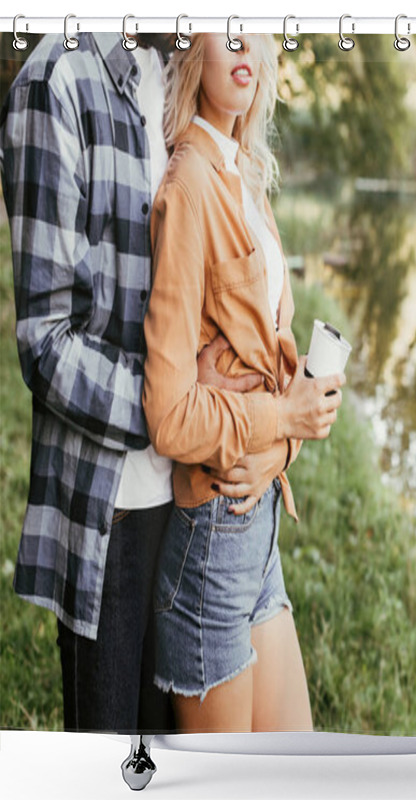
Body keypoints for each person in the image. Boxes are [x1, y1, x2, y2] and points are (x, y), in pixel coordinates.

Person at [0, 31, 266, 734]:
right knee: (114, 757)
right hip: (109, 510)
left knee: (184, 758)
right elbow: (46, 341)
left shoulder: (180, 73)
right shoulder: (53, 81)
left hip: (192, 504)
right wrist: (173, 409)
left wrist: (256, 431)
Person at [141, 32, 345, 733]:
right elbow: (169, 415)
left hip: (257, 538)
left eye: (254, 26)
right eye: (222, 22)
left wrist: (287, 436)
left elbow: (271, 373)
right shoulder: (190, 183)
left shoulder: (242, 176)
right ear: (191, 47)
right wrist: (282, 422)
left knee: (298, 763)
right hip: (210, 546)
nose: (242, 42)